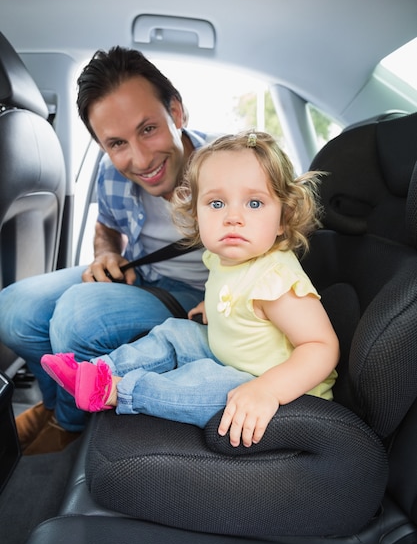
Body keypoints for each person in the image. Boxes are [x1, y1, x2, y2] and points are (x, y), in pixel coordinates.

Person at [40, 131, 339, 448]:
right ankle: (101, 369)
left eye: (254, 203)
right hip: (234, 360)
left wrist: (267, 390)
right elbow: (231, 292)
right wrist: (212, 307)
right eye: (216, 203)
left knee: (207, 385)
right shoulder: (221, 258)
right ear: (196, 214)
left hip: (281, 393)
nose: (232, 217)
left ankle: (120, 391)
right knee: (174, 331)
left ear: (283, 218)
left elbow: (321, 347)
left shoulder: (276, 281)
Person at [0, 46, 209, 454]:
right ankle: (54, 404)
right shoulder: (111, 172)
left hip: (208, 297)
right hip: (145, 278)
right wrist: (105, 254)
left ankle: (68, 426)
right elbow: (107, 226)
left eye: (148, 128)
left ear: (177, 113)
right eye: (116, 143)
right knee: (13, 308)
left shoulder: (229, 165)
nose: (141, 159)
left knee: (77, 321)